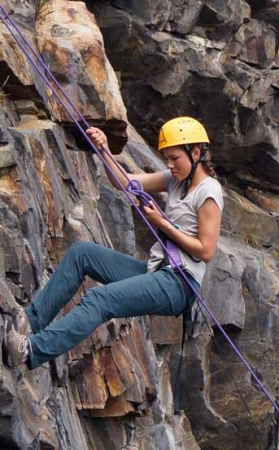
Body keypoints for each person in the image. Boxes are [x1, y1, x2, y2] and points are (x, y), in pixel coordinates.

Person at [2, 117, 223, 370]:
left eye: (175, 158)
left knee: (99, 299)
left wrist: (162, 224)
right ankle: (29, 321)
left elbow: (206, 251)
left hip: (179, 284)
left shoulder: (209, 191)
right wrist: (103, 149)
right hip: (156, 270)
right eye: (167, 158)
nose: (170, 165)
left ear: (195, 153)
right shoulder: (176, 180)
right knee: (81, 254)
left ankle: (29, 350)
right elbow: (124, 182)